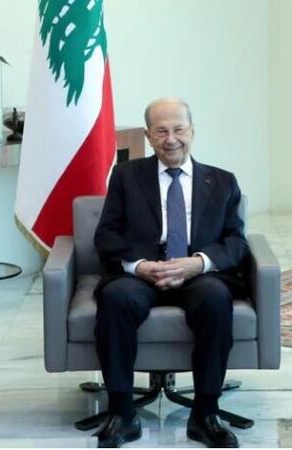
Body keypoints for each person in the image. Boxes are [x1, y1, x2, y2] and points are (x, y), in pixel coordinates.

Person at [92, 97, 247, 448]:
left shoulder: (223, 182)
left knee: (215, 299)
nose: (171, 139)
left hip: (198, 274)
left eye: (179, 129)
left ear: (192, 131)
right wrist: (140, 266)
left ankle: (206, 414)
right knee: (116, 298)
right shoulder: (126, 176)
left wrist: (199, 263)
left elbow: (236, 242)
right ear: (148, 136)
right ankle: (122, 413)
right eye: (161, 131)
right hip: (142, 274)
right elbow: (107, 235)